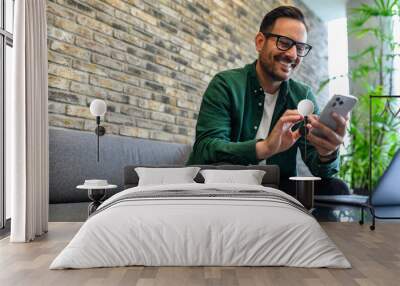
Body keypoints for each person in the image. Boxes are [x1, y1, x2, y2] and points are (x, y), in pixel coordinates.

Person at [186, 6, 349, 196]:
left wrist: (327, 152)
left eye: (300, 47)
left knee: (337, 189)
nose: (293, 55)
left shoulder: (303, 96)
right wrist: (265, 148)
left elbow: (321, 171)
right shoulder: (226, 84)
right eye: (284, 42)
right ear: (260, 42)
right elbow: (206, 149)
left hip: (276, 187)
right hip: (225, 184)